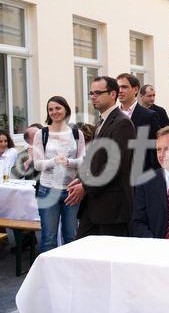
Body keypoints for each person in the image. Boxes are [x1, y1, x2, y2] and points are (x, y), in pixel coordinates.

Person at [65, 76, 136, 238]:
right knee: (83, 252)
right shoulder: (101, 122)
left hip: (112, 206)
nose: (93, 97)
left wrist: (85, 187)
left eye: (98, 93)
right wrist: (81, 179)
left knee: (109, 257)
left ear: (113, 94)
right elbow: (94, 160)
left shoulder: (122, 123)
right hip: (94, 203)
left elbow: (114, 165)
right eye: (91, 93)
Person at [32, 96, 85, 252]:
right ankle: (48, 275)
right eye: (50, 109)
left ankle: (71, 274)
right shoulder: (41, 134)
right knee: (48, 238)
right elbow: (37, 164)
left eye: (57, 108)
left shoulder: (77, 133)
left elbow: (83, 160)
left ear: (65, 109)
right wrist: (54, 161)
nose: (54, 112)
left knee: (72, 236)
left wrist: (69, 162)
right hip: (48, 190)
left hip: (71, 189)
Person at [117, 73, 160, 172]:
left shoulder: (148, 116)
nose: (120, 91)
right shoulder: (112, 116)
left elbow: (155, 148)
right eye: (118, 87)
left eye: (124, 87)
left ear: (135, 89)